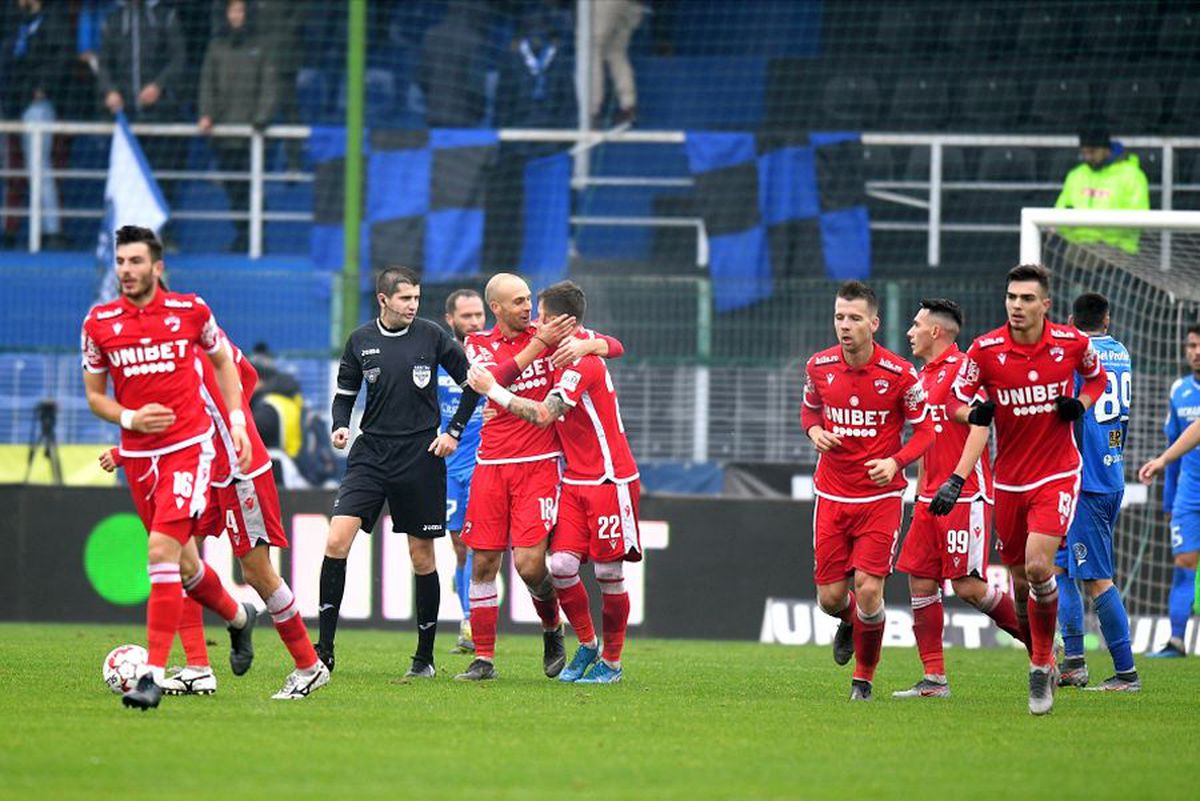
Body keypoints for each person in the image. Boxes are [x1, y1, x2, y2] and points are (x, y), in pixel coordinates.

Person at [81, 225, 252, 710]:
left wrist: (236, 421)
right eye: (119, 262)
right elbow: (95, 396)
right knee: (183, 563)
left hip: (188, 447)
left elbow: (224, 364)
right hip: (137, 455)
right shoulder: (99, 322)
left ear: (157, 267)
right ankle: (238, 617)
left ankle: (152, 675)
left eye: (135, 261)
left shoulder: (190, 311)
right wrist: (129, 418)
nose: (126, 271)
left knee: (160, 548)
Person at [947, 264, 1108, 715]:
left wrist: (1082, 403)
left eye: (1026, 299)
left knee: (1040, 568)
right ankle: (1042, 653)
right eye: (1011, 297)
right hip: (1010, 480)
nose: (1017, 306)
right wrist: (971, 415)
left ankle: (1040, 667)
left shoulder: (1071, 343)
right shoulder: (986, 350)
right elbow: (956, 399)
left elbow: (1097, 378)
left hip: (1057, 472)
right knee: (1020, 585)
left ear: (1045, 304)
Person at [468, 281, 640, 684]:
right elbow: (495, 373)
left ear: (566, 322)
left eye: (539, 310)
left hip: (608, 477)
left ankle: (611, 663)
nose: (534, 318)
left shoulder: (580, 357)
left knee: (606, 574)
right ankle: (585, 645)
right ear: (495, 306)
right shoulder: (493, 343)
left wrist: (494, 394)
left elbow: (546, 413)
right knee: (560, 565)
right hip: (572, 476)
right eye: (523, 304)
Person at [316, 266, 481, 679]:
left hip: (420, 454)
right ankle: (323, 652)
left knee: (421, 555)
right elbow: (345, 394)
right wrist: (340, 424)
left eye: (417, 298)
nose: (413, 305)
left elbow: (473, 384)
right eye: (405, 298)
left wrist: (454, 432)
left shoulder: (431, 336)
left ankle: (424, 658)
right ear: (383, 299)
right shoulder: (361, 340)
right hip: (370, 452)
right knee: (337, 539)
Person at [800, 280, 936, 702]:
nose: (845, 325)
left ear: (873, 323)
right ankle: (852, 623)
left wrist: (895, 462)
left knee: (869, 588)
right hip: (832, 495)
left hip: (880, 499)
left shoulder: (899, 374)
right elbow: (809, 410)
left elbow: (927, 430)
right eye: (840, 316)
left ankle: (864, 679)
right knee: (829, 598)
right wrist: (816, 431)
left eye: (854, 318)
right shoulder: (818, 366)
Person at [894, 298, 1027, 699]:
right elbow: (927, 435)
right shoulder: (922, 375)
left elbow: (980, 428)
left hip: (964, 494)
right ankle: (934, 679)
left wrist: (955, 480)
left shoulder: (967, 370)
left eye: (916, 325)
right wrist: (920, 490)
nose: (910, 332)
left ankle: (1043, 648)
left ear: (936, 331)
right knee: (920, 580)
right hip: (929, 497)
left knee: (968, 586)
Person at [1047, 292, 1139, 691]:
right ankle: (1075, 663)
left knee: (1097, 578)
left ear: (1070, 320)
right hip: (1111, 471)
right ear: (1108, 320)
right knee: (1061, 567)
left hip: (1086, 482)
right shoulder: (1121, 352)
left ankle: (1125, 673)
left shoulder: (1076, 356)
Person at [1138, 322, 1200, 657]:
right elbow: (1175, 446)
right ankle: (1176, 640)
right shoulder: (1180, 391)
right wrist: (1169, 498)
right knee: (1184, 562)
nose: (1197, 352)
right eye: (1192, 345)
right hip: (1190, 493)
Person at [96, 0, 188, 221]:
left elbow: (179, 59)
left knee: (162, 177)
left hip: (162, 116)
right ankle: (129, 230)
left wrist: (159, 86)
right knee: (127, 179)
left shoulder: (166, 16)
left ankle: (164, 234)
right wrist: (109, 91)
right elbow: (103, 64)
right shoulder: (113, 20)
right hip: (125, 120)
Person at [197, 0, 277, 253]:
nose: (236, 15)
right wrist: (206, 114)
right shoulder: (216, 46)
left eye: (240, 10)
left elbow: (269, 84)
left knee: (254, 187)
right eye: (232, 10)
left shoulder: (261, 46)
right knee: (234, 189)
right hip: (225, 134)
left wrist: (261, 118)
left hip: (253, 135)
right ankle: (243, 235)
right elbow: (207, 83)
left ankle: (258, 238)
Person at [0, 0, 70, 250]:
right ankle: (8, 230)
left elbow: (62, 59)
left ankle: (51, 232)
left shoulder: (53, 20)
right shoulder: (12, 21)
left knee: (39, 165)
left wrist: (42, 87)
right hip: (9, 103)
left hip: (36, 104)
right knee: (10, 170)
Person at [439, 289, 487, 653]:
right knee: (459, 546)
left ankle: (473, 623)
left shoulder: (492, 357)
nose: (474, 322)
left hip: (485, 463)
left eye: (479, 315)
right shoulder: (436, 358)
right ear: (450, 319)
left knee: (477, 544)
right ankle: (468, 619)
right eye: (466, 316)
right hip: (445, 466)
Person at [1055, 127, 1150, 255]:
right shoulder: (1076, 175)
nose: (1088, 157)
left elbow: (1138, 218)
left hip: (1118, 252)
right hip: (1078, 249)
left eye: (1092, 152)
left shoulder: (1132, 176)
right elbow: (1059, 212)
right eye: (1084, 153)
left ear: (1106, 149)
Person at [417, 1, 490, 128]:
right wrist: (480, 112)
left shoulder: (431, 35)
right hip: (463, 118)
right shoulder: (474, 40)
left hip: (434, 113)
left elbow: (421, 77)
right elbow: (475, 86)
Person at [590, 0, 644, 127]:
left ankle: (591, 111)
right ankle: (628, 106)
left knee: (591, 48)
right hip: (636, 4)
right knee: (616, 51)